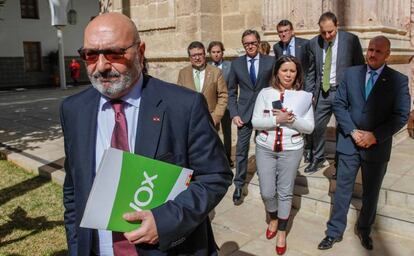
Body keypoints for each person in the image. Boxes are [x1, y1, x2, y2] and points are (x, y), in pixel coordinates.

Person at [60, 12, 232, 255]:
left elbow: (215, 176)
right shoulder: (73, 110)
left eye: (114, 53)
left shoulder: (184, 105)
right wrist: (77, 248)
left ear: (140, 51)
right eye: (90, 55)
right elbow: (73, 189)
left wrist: (165, 221)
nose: (101, 66)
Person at [318, 36, 410, 251]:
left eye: (378, 51)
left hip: (377, 147)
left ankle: (365, 229)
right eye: (370, 49)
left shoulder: (398, 80)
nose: (372, 54)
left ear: (387, 55)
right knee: (342, 189)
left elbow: (401, 115)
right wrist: (352, 131)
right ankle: (334, 232)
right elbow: (339, 104)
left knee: (371, 192)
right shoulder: (351, 74)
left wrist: (374, 136)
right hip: (349, 143)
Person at [252, 56, 314, 255]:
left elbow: (310, 127)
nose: (288, 74)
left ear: (297, 74)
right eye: (284, 70)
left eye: (292, 71)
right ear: (277, 71)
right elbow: (255, 122)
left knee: (285, 192)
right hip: (265, 148)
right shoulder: (265, 93)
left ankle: (281, 231)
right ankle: (273, 216)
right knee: (267, 192)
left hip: (291, 148)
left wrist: (292, 119)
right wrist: (276, 119)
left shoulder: (303, 96)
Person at [304, 12, 365, 173]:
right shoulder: (313, 43)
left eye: (330, 31)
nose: (327, 35)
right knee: (316, 126)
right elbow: (311, 71)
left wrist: (358, 94)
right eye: (323, 32)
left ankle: (340, 160)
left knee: (343, 127)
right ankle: (318, 158)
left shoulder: (351, 40)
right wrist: (309, 93)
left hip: (342, 92)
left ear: (337, 26)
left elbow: (360, 68)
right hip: (322, 92)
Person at [227, 29, 274, 205]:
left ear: (259, 43)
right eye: (246, 44)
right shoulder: (236, 64)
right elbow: (231, 92)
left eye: (253, 43)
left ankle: (267, 182)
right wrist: (234, 113)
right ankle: (239, 185)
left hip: (264, 112)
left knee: (265, 149)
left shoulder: (270, 61)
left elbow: (275, 87)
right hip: (244, 114)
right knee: (241, 150)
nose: (250, 46)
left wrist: (275, 111)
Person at [273, 19, 312, 162]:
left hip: (302, 86)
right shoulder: (277, 47)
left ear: (292, 31)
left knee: (304, 118)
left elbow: (310, 68)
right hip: (286, 88)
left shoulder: (305, 44)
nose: (283, 34)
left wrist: (309, 92)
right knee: (290, 115)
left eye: (286, 31)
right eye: (280, 32)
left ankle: (308, 149)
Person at [177, 41, 228, 129]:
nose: (197, 58)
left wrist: (216, 117)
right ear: (189, 57)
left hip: (210, 121)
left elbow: (223, 96)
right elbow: (179, 96)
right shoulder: (183, 73)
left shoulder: (216, 72)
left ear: (204, 55)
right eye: (193, 55)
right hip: (189, 121)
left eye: (200, 54)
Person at [207, 41, 234, 166]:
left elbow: (233, 86)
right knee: (213, 132)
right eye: (213, 52)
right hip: (212, 106)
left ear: (222, 52)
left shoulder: (230, 65)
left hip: (226, 105)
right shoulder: (206, 67)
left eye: (218, 52)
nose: (216, 54)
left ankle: (228, 157)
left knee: (227, 133)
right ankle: (216, 157)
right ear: (209, 53)